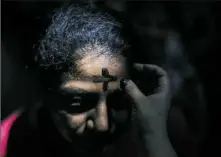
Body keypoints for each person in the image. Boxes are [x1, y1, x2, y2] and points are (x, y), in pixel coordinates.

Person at [0, 4, 177, 157]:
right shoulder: (7, 145)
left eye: (118, 101)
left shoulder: (147, 137)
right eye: (79, 102)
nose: (103, 124)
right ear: (44, 92)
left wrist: (155, 138)